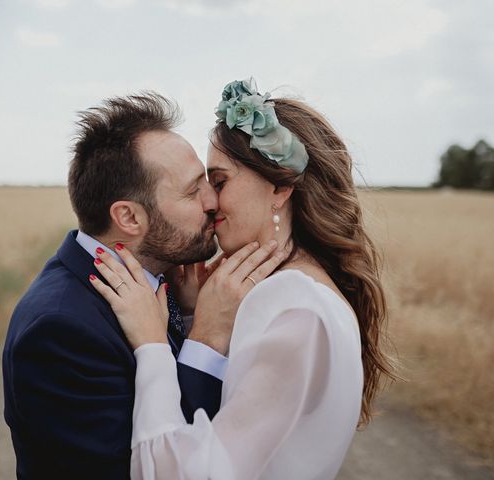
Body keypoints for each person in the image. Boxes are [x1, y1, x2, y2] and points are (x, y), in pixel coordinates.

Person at [89, 78, 395, 479]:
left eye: (219, 182)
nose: (210, 202)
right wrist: (192, 311)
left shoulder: (296, 308)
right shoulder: (296, 293)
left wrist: (152, 346)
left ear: (281, 187)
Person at [2, 92, 280, 479]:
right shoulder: (59, 329)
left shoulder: (158, 282)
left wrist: (184, 315)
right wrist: (207, 338)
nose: (213, 201)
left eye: (209, 182)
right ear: (129, 217)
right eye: (192, 190)